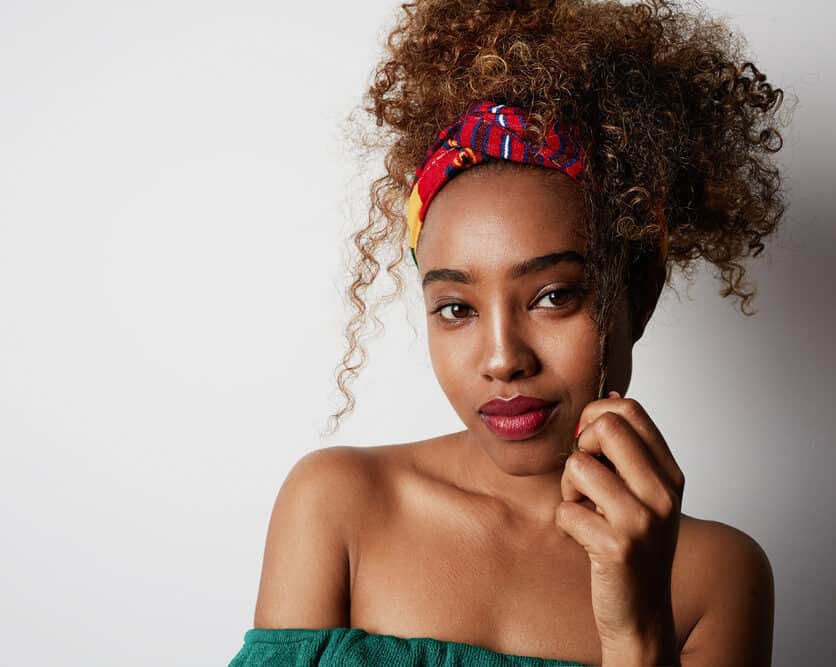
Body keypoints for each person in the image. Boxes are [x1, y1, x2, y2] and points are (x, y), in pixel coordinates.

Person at [229, 0, 790, 665]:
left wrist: (637, 632)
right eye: (456, 308)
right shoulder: (336, 505)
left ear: (638, 294)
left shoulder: (716, 577)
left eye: (553, 296)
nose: (502, 359)